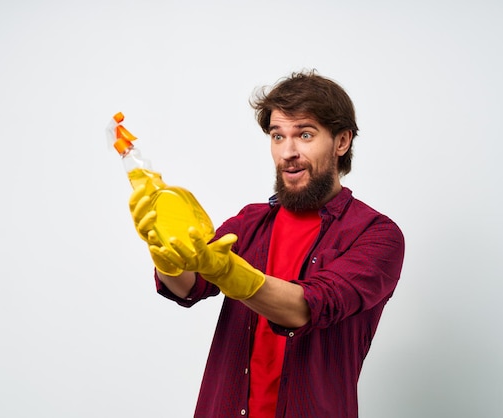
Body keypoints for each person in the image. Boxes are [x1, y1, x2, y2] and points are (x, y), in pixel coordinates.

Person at [129, 70, 405, 418]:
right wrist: (166, 253)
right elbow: (190, 286)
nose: (288, 151)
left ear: (341, 141)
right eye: (278, 136)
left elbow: (307, 307)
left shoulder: (376, 235)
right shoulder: (250, 221)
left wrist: (228, 271)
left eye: (305, 134)